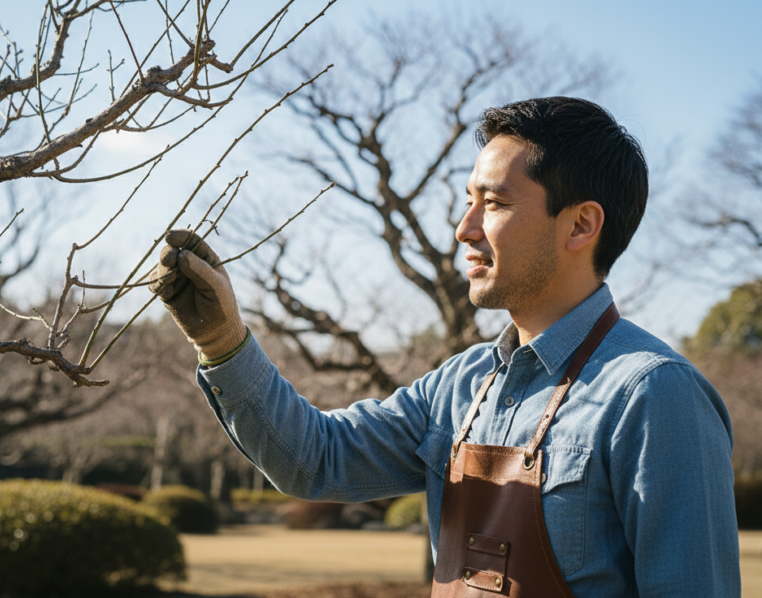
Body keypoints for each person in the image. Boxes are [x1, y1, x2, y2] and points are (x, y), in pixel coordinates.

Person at [150, 97, 740, 597]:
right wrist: (222, 341)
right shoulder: (459, 384)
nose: (465, 229)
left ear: (581, 226)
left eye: (496, 203)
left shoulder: (655, 394)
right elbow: (317, 462)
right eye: (468, 201)